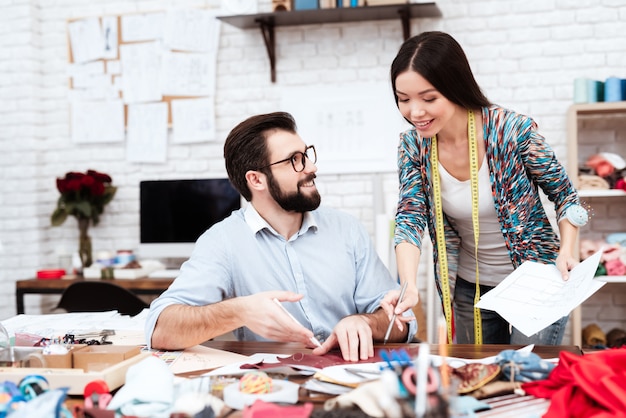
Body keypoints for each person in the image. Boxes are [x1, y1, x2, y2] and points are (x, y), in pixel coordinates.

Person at [146, 111, 416, 360]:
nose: (311, 167)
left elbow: (404, 321)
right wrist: (240, 311)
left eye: (307, 155)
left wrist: (367, 322)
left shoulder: (346, 230)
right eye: (294, 160)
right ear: (256, 180)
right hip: (274, 384)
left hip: (350, 376)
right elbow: (160, 329)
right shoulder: (223, 242)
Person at [381, 31, 588, 345]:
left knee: (524, 378)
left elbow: (566, 196)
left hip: (535, 282)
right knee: (475, 380)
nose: (415, 112)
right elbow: (410, 218)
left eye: (428, 98)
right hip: (471, 288)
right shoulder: (413, 147)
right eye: (403, 99)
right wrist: (409, 283)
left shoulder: (511, 131)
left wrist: (567, 251)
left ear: (455, 87)